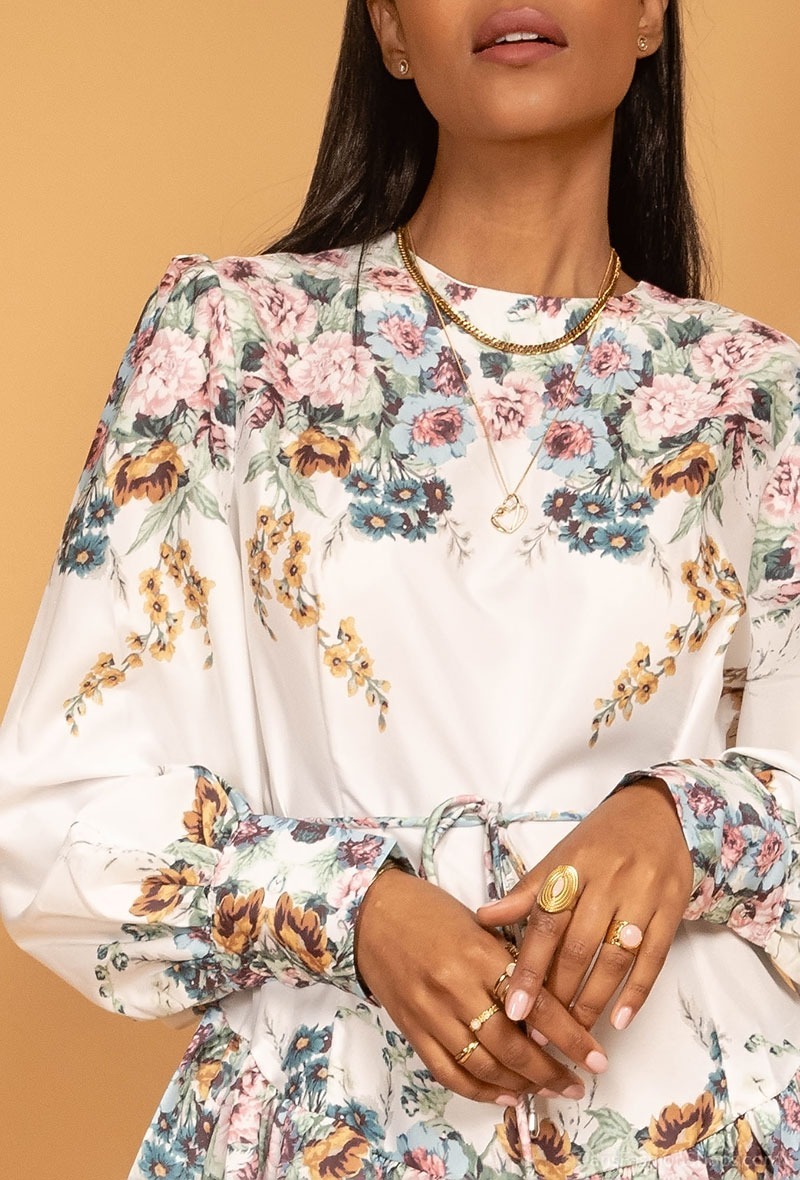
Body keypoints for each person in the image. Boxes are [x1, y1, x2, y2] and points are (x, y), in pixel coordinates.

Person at [1, 0, 799, 1176]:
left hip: (683, 1124)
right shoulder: (234, 344)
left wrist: (681, 821)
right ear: (387, 26)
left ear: (645, 15)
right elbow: (57, 809)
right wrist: (353, 905)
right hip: (325, 1117)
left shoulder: (758, 398)